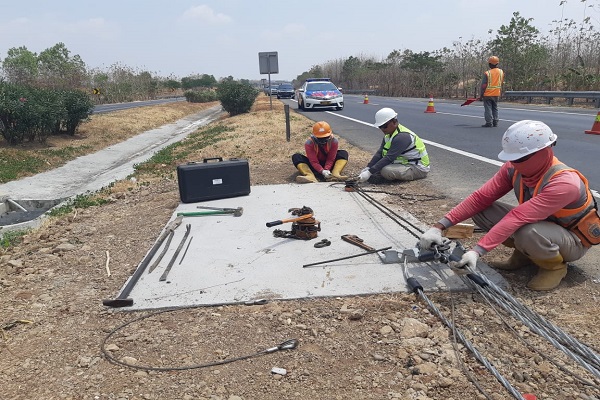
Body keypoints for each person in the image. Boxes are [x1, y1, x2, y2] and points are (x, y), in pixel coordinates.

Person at [419, 120, 600, 291]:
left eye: (520, 158)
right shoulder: (513, 168)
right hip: (542, 227)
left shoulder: (564, 183)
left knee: (527, 232)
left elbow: (518, 217)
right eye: (513, 158)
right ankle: (526, 254)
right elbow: (480, 198)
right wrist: (439, 227)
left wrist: (477, 252)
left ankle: (554, 267)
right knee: (483, 210)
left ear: (545, 150)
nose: (514, 163)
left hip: (573, 240)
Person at [358, 107, 430, 184]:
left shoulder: (402, 137)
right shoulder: (388, 135)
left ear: (394, 122)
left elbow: (389, 157)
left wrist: (369, 172)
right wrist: (368, 167)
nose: (382, 129)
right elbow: (380, 153)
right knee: (377, 168)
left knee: (385, 171)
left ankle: (388, 180)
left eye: (385, 126)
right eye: (380, 127)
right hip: (403, 164)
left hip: (418, 168)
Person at [479, 55, 505, 127]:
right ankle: (495, 121)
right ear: (497, 63)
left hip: (488, 94)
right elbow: (501, 82)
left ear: (490, 64)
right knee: (495, 107)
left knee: (488, 108)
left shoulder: (487, 73)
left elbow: (484, 85)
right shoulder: (501, 72)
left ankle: (489, 122)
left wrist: (481, 95)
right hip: (497, 93)